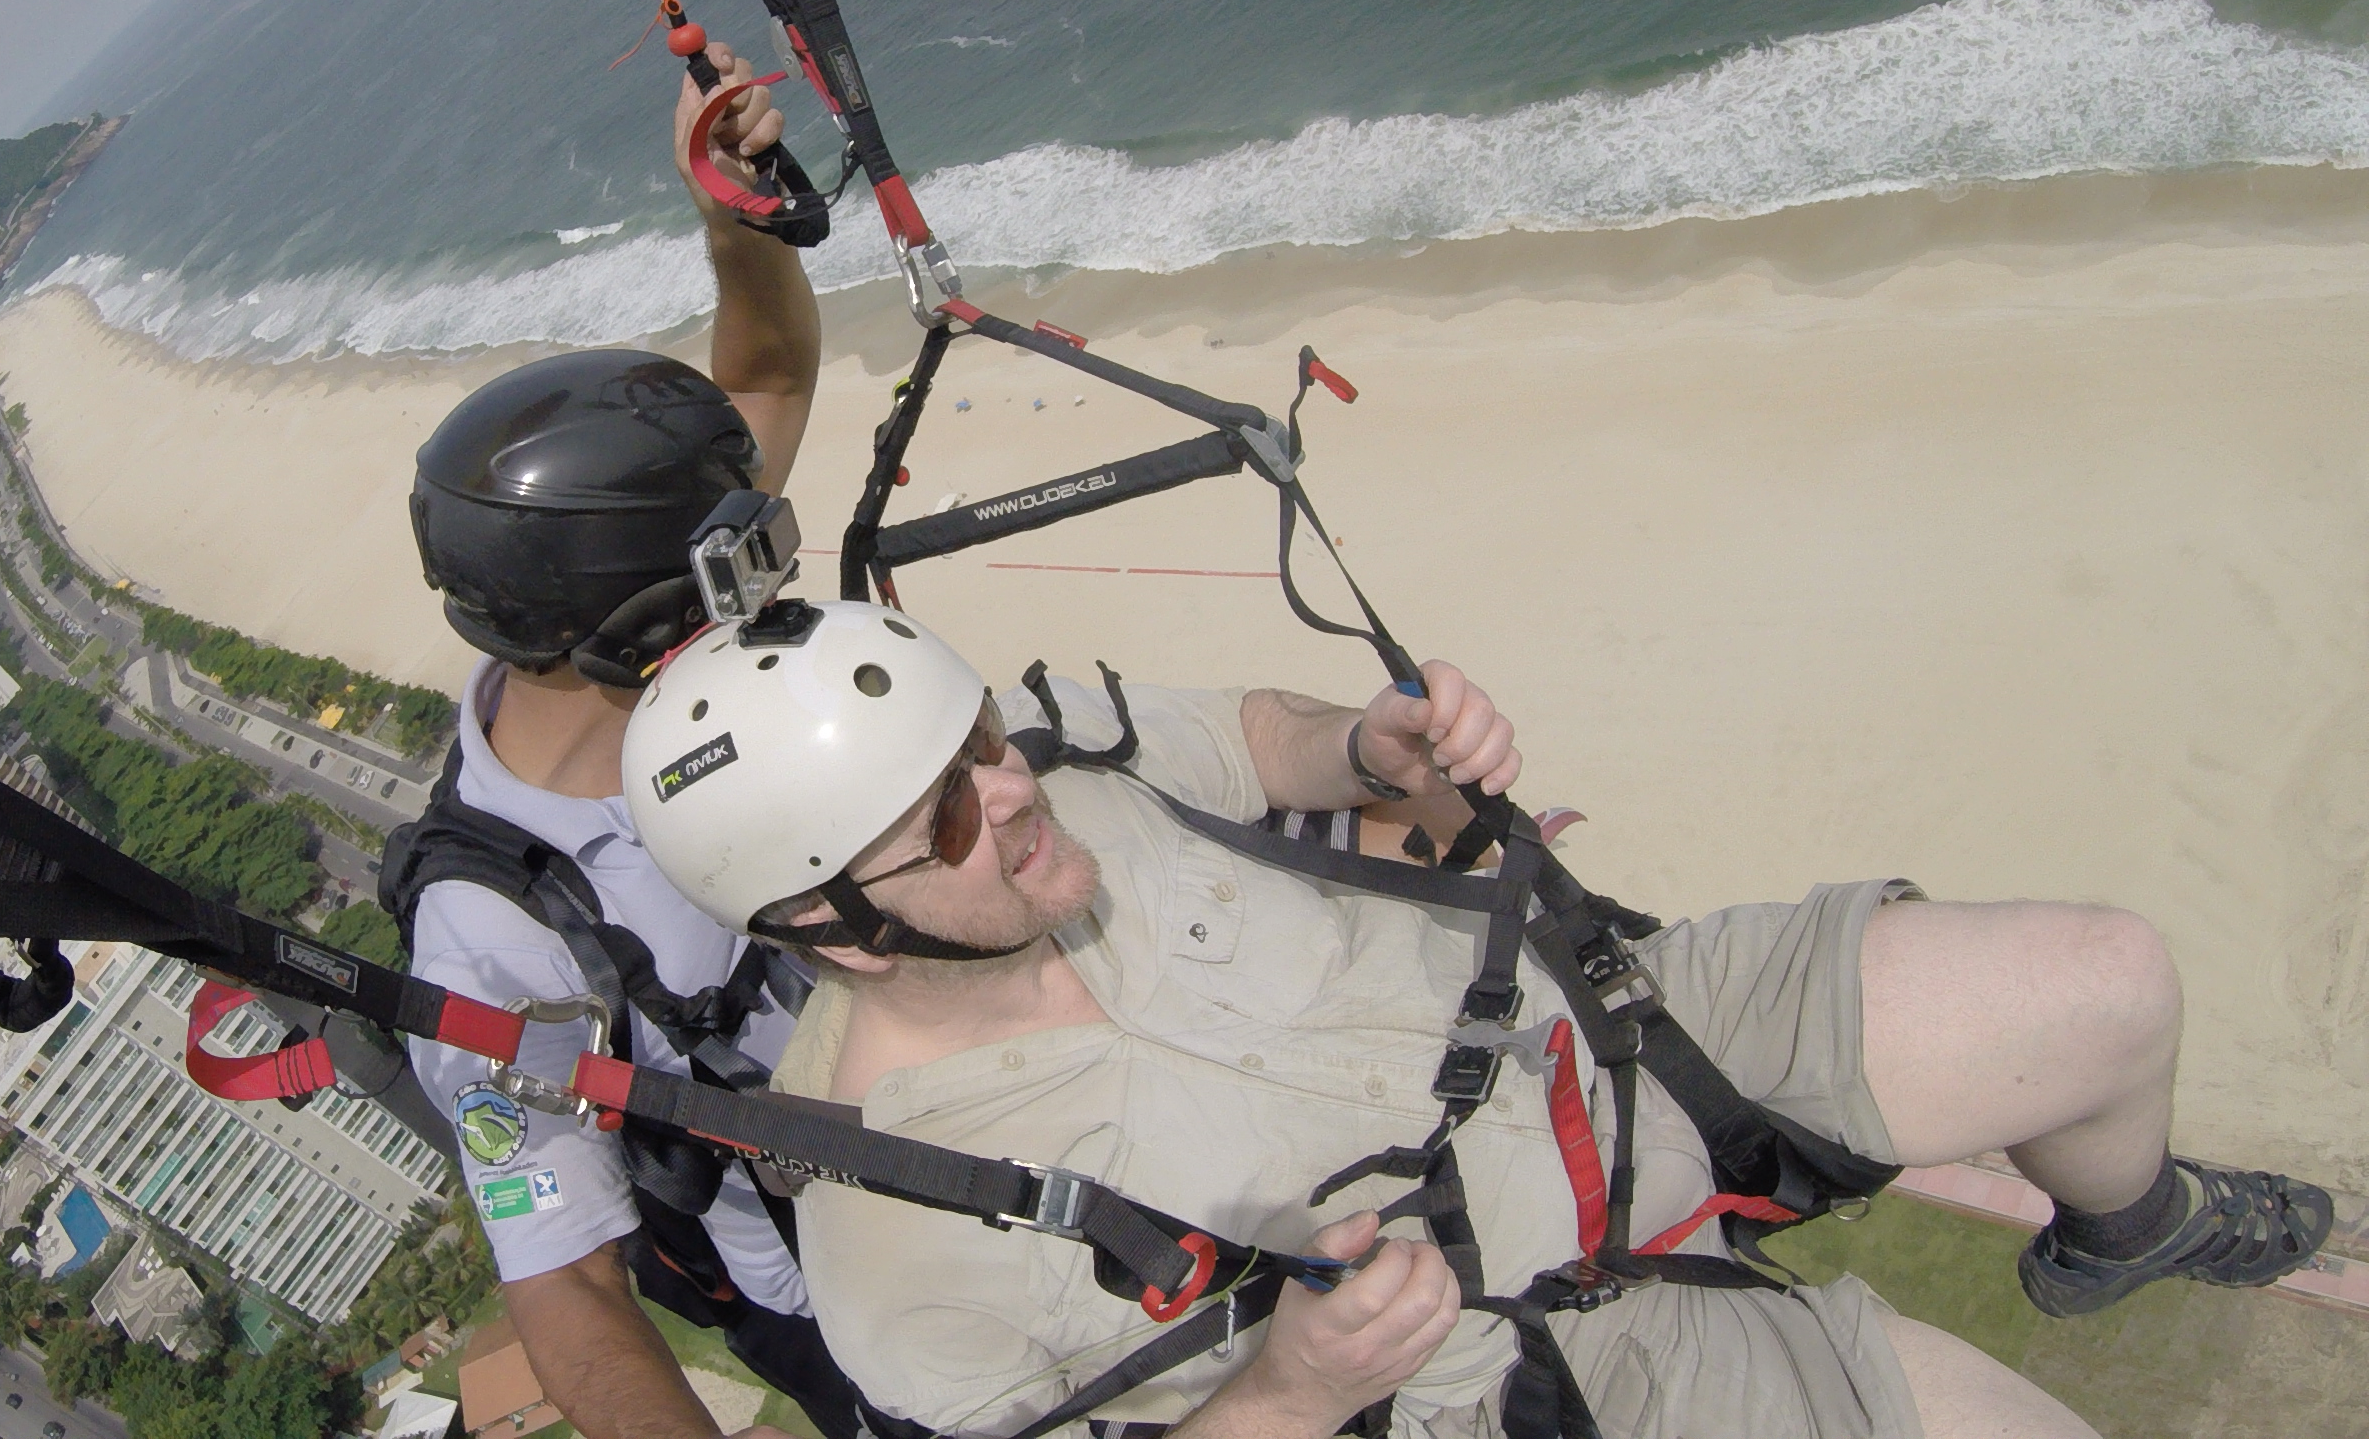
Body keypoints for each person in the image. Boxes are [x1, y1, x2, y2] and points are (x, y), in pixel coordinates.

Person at [616, 602, 2335, 1438]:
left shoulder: (1061, 779)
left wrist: (1376, 747)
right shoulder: (894, 1252)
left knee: (2112, 985)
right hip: (1521, 1357)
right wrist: (1285, 1394)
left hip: (1597, 1040)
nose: (1009, 795)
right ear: (824, 931)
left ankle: (2130, 1227)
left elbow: (1265, 743)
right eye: (943, 819)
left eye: (982, 737)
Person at [382, 44, 854, 1439]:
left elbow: (765, 370)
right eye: (733, 577)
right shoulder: (490, 949)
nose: (762, 588)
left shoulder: (628, 590)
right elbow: (571, 1293)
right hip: (848, 1290)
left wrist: (729, 211)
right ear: (634, 633)